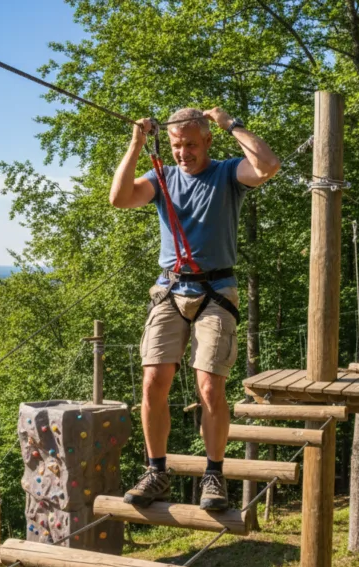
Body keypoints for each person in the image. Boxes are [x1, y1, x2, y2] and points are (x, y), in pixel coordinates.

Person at [109, 107, 281, 511]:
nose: (182, 152)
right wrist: (136, 143)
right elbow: (119, 198)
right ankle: (156, 472)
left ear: (207, 141)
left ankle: (214, 475)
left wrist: (231, 124)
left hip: (216, 290)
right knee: (153, 382)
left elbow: (269, 165)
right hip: (170, 290)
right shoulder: (162, 177)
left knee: (209, 386)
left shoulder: (228, 172)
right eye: (175, 145)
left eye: (190, 144)